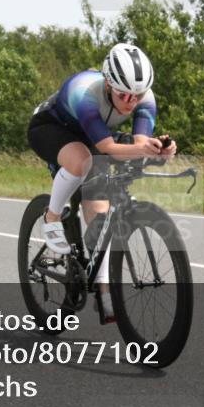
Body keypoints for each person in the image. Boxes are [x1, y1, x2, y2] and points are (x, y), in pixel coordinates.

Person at [26, 43, 177, 321]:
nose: (131, 102)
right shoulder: (85, 93)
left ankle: (104, 290)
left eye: (137, 95)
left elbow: (140, 142)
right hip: (51, 128)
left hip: (91, 136)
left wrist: (159, 149)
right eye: (123, 95)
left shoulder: (145, 98)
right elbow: (106, 146)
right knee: (82, 161)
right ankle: (52, 216)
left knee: (101, 212)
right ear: (108, 83)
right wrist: (142, 150)